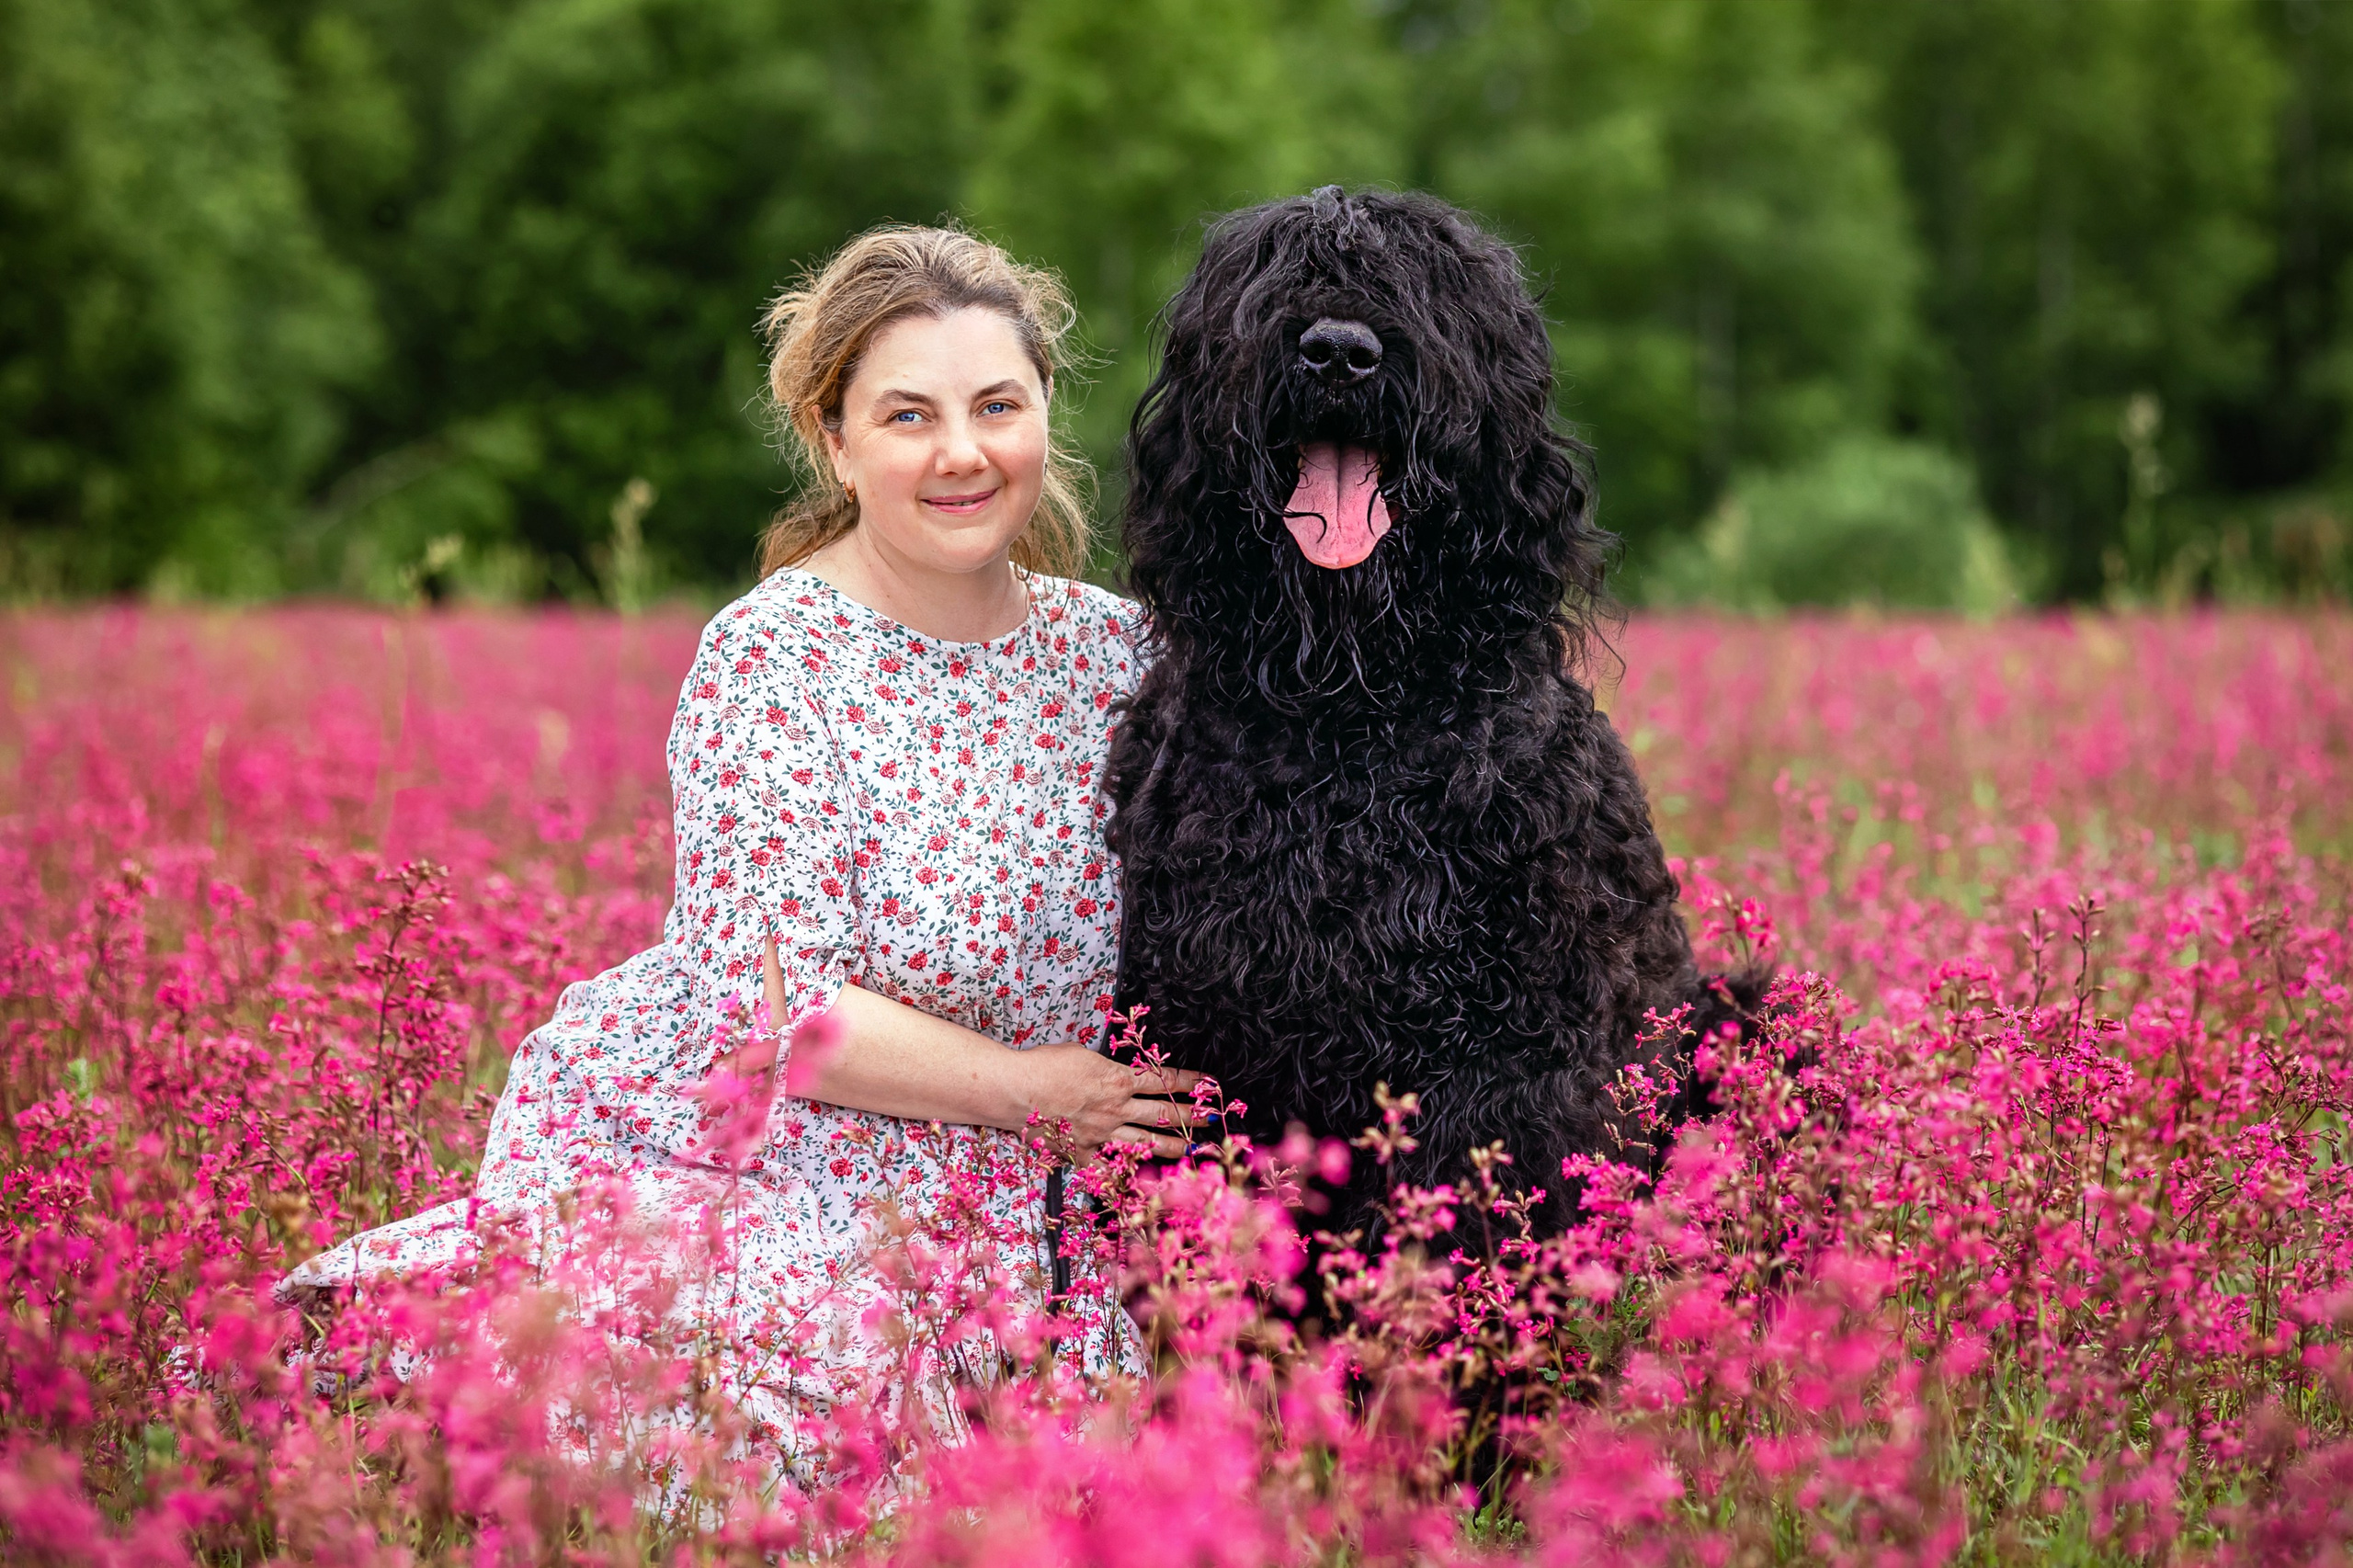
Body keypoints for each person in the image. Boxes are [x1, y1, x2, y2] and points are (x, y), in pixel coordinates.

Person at [281, 223, 1194, 1473]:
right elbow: (783, 1018)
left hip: (1049, 1200)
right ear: (835, 441)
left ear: (1046, 408)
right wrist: (1042, 1092)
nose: (963, 452)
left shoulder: (1125, 653)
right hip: (799, 1165)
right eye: (909, 416)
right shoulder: (772, 661)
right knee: (733, 1435)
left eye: (998, 405)